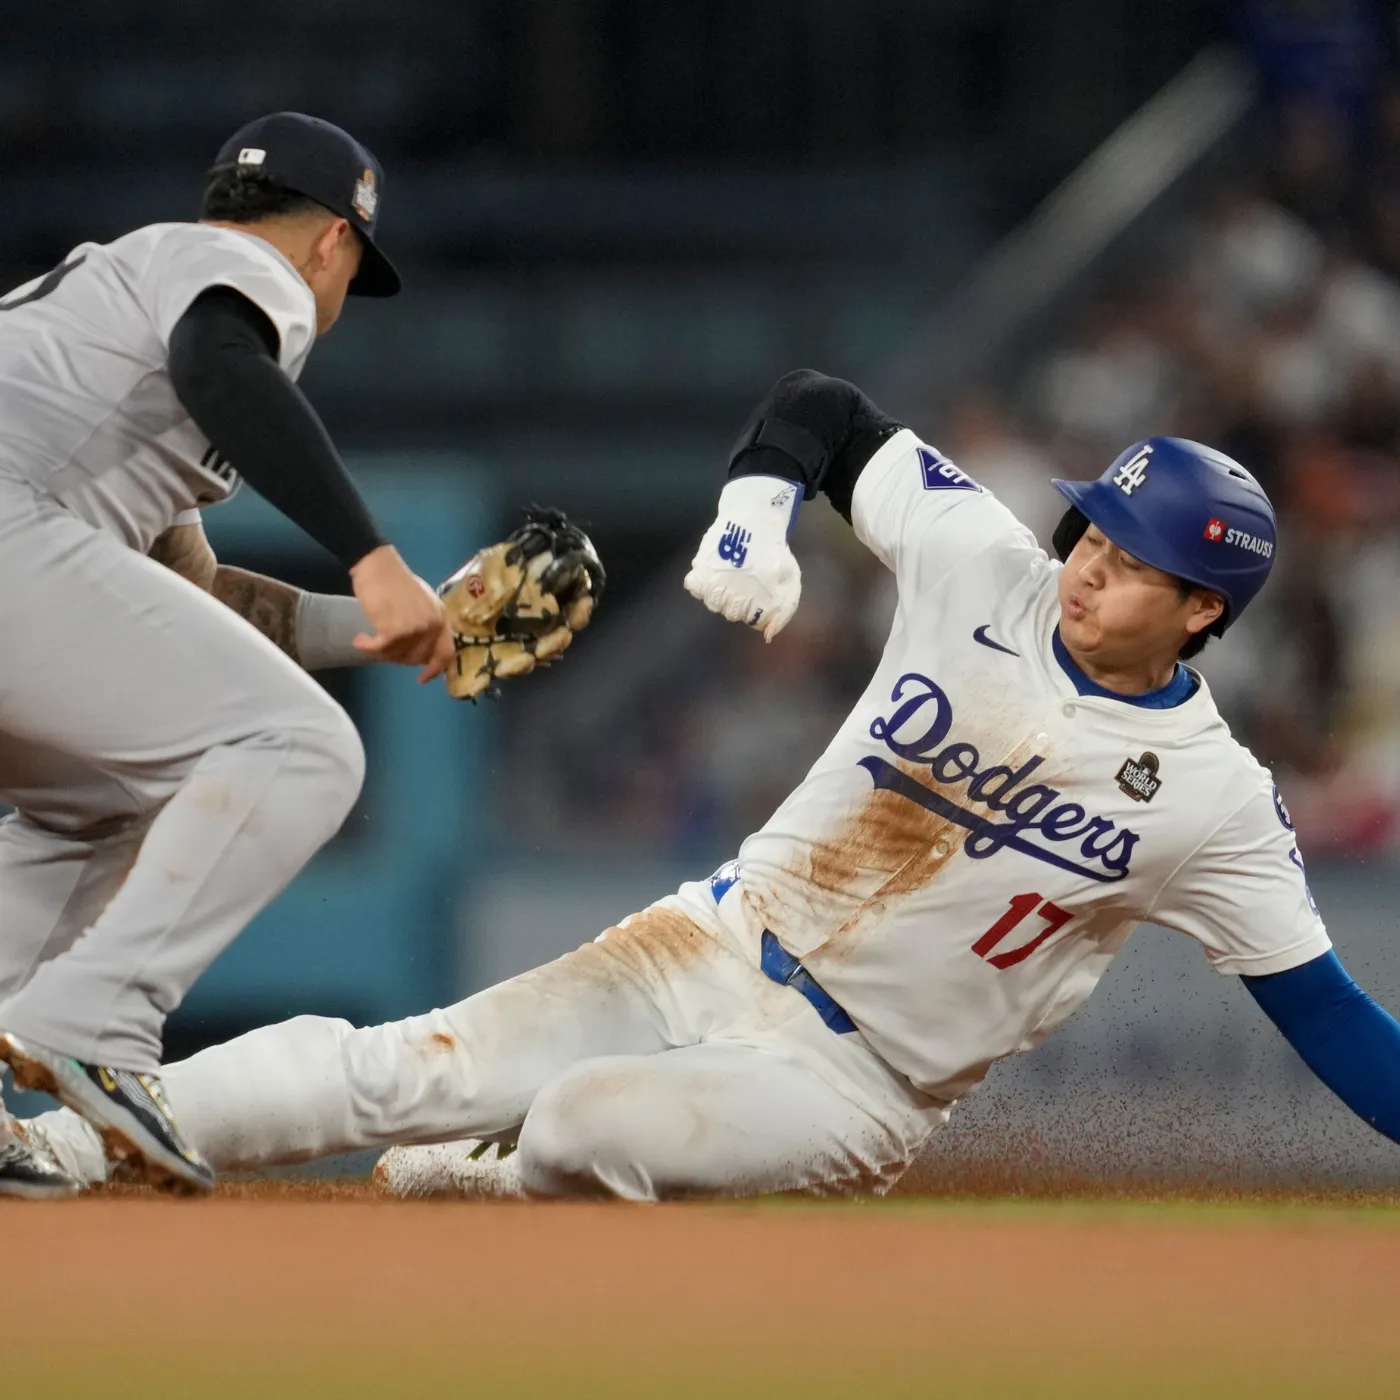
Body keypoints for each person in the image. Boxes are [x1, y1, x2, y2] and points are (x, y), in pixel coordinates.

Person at [29, 371, 1400, 1202]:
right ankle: (70, 1153)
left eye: (1138, 556)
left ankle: (505, 1184)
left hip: (853, 1083)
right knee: (405, 1066)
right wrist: (754, 512)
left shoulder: (1210, 799)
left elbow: (1328, 1016)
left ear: (1206, 612)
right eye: (1096, 523)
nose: (1092, 560)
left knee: (576, 1127)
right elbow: (816, 411)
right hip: (708, 940)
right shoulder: (988, 563)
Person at [0, 112, 456, 1198]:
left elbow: (190, 607)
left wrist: (382, 621)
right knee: (305, 748)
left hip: (22, 546)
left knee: (106, 794)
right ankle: (94, 1021)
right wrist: (373, 553)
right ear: (332, 242)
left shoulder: (126, 309)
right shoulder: (242, 275)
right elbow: (222, 361)